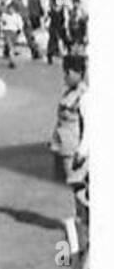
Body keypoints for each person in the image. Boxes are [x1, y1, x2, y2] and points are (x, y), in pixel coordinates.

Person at [49, 53, 87, 182]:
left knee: (77, 184)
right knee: (73, 183)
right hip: (65, 145)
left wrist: (83, 150)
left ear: (79, 73)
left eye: (68, 73)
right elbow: (60, 121)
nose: (65, 77)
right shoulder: (69, 92)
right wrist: (54, 143)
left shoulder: (83, 95)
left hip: (75, 147)